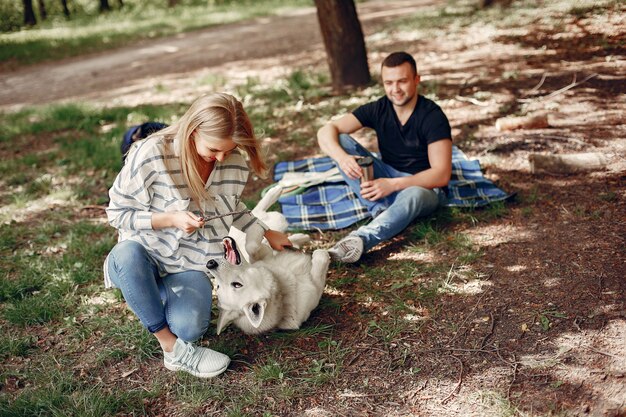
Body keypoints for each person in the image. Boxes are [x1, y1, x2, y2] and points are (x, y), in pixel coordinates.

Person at [103, 93, 291, 378]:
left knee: (189, 328)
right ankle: (172, 349)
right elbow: (116, 212)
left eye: (228, 150)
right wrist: (170, 219)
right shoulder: (153, 152)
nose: (221, 158)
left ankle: (149, 295)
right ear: (193, 130)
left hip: (187, 263)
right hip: (143, 252)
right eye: (214, 149)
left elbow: (228, 208)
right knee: (127, 257)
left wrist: (266, 231)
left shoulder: (233, 164)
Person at [317, 51, 452, 263]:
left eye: (402, 81)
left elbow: (441, 175)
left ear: (417, 80)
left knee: (413, 195)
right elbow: (326, 130)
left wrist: (393, 184)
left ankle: (359, 240)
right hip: (386, 178)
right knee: (341, 141)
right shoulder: (379, 107)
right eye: (388, 82)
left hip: (423, 187)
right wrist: (343, 158)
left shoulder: (432, 116)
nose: (395, 89)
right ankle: (380, 209)